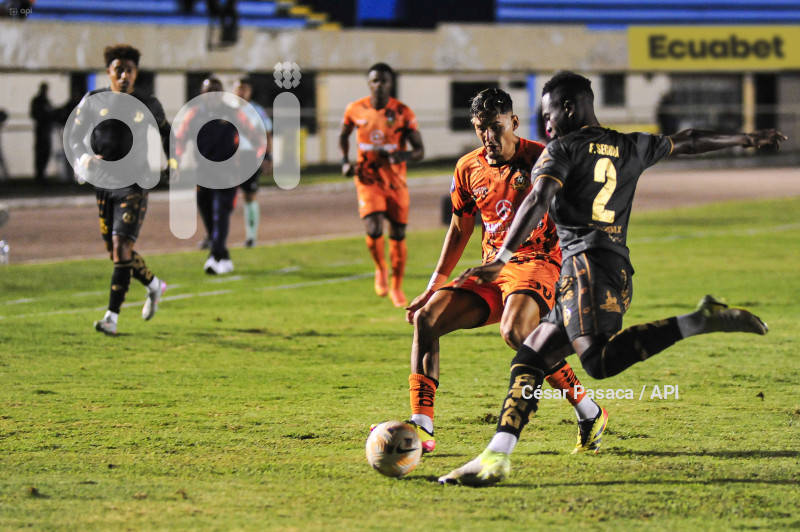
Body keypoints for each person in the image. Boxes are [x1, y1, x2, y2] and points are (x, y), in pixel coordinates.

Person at [438, 71, 786, 486]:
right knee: (529, 357)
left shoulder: (560, 150)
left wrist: (502, 258)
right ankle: (495, 457)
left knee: (598, 362)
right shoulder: (630, 145)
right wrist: (744, 139)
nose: (546, 126)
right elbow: (688, 140)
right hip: (610, 270)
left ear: (568, 108)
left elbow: (538, 198)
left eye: (548, 115)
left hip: (585, 271)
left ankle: (701, 320)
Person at [403, 88, 606, 455]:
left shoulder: (543, 159)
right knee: (427, 319)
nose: (488, 137)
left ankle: (587, 410)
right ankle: (421, 425)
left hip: (538, 262)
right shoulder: (468, 167)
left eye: (496, 127)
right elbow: (460, 227)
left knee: (515, 333)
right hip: (491, 270)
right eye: (481, 128)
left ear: (513, 122)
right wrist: (436, 284)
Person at [68, 44, 169, 336]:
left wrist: (173, 164)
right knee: (117, 253)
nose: (124, 75)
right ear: (109, 72)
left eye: (129, 70)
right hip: (104, 183)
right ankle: (153, 285)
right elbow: (74, 138)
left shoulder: (148, 104)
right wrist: (84, 157)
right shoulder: (93, 100)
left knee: (121, 246)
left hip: (135, 183)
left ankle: (111, 317)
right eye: (118, 70)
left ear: (136, 74)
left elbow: (168, 134)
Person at [339, 63, 425, 307]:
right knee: (374, 225)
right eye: (374, 80)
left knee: (397, 233)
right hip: (367, 179)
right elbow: (343, 135)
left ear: (391, 83)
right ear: (369, 83)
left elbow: (420, 150)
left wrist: (403, 156)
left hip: (395, 182)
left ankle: (397, 286)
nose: (379, 85)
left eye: (384, 81)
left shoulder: (402, 113)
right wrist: (345, 161)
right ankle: (380, 269)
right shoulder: (355, 109)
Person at [173, 77, 265, 274]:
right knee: (208, 215)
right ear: (202, 93)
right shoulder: (194, 114)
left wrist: (261, 157)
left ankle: (214, 257)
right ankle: (223, 256)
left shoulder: (232, 112)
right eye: (208, 90)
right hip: (202, 173)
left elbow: (255, 134)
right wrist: (176, 162)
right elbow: (179, 138)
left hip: (229, 172)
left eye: (216, 90)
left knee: (220, 213)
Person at [232, 76, 273, 248]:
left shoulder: (257, 110)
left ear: (250, 91)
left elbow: (267, 133)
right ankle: (213, 236)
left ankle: (251, 237)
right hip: (229, 157)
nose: (241, 92)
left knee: (249, 196)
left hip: (249, 157)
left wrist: (268, 157)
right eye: (239, 88)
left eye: (245, 88)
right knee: (219, 197)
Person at [30, 82, 55, 185]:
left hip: (46, 130)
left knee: (45, 153)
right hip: (42, 130)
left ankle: (41, 174)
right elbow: (35, 114)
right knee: (41, 153)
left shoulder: (45, 101)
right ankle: (39, 175)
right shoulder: (39, 101)